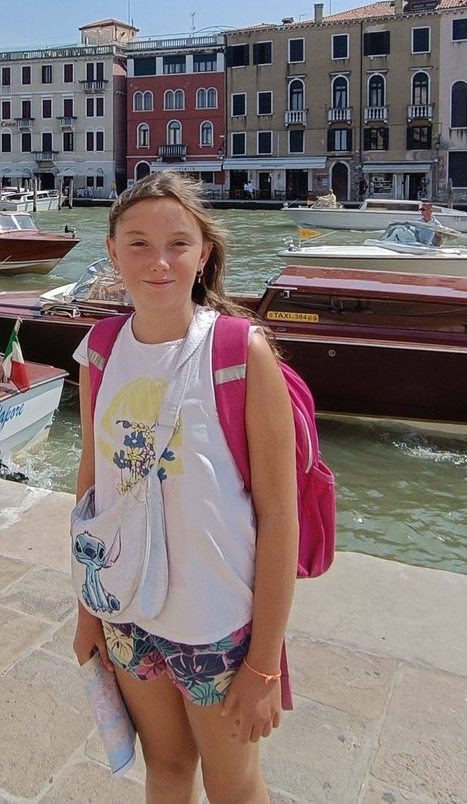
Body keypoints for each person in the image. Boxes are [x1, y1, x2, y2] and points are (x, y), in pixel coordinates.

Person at [72, 172, 297, 803]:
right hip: (128, 617)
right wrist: (88, 610)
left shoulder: (239, 350)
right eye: (138, 244)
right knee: (165, 770)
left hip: (217, 627)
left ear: (204, 252)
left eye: (178, 243)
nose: (159, 261)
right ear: (112, 253)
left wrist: (264, 662)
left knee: (235, 787)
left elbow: (280, 516)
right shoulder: (101, 348)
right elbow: (94, 491)